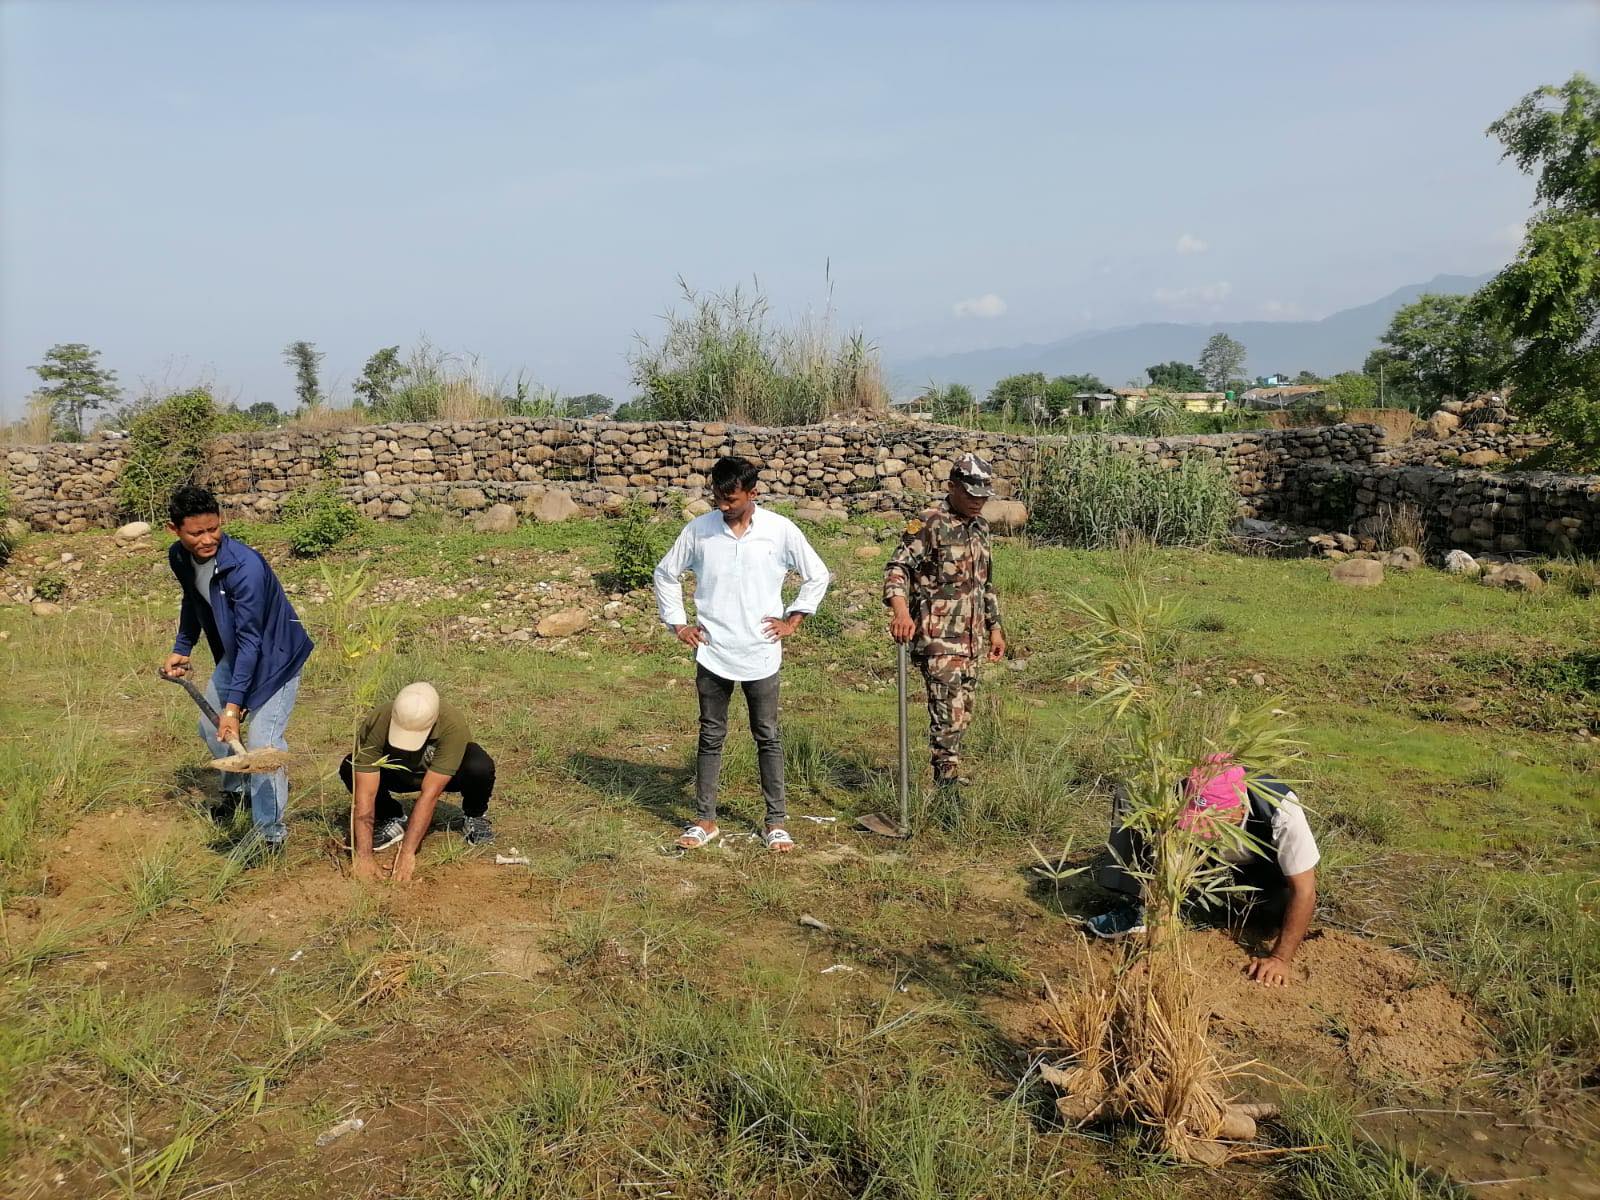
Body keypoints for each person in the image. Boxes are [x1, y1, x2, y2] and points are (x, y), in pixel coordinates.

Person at [653, 456, 831, 853]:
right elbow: (666, 573)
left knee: (767, 736)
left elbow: (817, 574)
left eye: (731, 499)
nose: (722, 505)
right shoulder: (699, 531)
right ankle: (705, 820)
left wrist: (793, 620)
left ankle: (775, 822)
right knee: (710, 735)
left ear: (753, 493)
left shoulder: (779, 531)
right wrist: (679, 624)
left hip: (760, 653)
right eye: (717, 496)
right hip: (713, 651)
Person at [160, 484, 313, 856]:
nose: (208, 538)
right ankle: (237, 792)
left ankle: (270, 835)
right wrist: (182, 647)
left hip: (276, 658)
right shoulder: (179, 558)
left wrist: (233, 707)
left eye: (214, 528)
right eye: (196, 533)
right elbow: (192, 600)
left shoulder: (244, 567)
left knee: (264, 746)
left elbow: (252, 643)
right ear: (174, 530)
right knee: (211, 730)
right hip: (238, 654)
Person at [1086, 756, 1320, 988]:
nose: (1202, 829)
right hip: (1202, 854)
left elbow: (1305, 891)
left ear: (1239, 808)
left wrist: (1280, 958)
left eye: (1211, 822)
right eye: (1196, 820)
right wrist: (1154, 951)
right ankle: (1137, 908)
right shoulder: (1179, 800)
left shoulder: (1280, 809)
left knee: (1276, 916)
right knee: (1131, 797)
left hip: (1261, 858)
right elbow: (1166, 879)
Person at [883, 453, 1006, 796]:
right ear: (952, 487)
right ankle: (946, 785)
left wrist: (994, 627)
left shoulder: (980, 527)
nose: (978, 502)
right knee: (947, 710)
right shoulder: (929, 522)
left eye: (983, 497)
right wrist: (901, 612)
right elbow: (897, 568)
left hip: (972, 638)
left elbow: (985, 583)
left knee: (963, 711)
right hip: (938, 637)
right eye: (971, 495)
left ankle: (948, 773)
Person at [340, 682, 497, 883]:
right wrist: (363, 856)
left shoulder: (451, 724)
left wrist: (407, 853)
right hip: (398, 773)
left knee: (480, 766)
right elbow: (365, 793)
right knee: (350, 766)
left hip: (440, 776)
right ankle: (391, 816)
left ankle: (475, 816)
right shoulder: (379, 719)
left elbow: (430, 794)